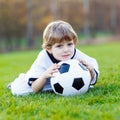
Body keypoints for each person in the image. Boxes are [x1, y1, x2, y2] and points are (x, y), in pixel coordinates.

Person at [8, 20, 99, 96]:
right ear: (49, 48)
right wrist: (44, 76)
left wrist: (90, 71)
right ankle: (12, 85)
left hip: (65, 81)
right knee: (20, 90)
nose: (66, 50)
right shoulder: (43, 58)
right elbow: (35, 88)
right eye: (59, 46)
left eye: (70, 44)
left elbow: (89, 81)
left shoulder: (77, 55)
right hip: (42, 80)